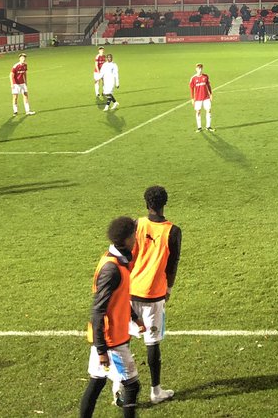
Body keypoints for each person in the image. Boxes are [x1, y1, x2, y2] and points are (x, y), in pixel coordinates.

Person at [124, 186, 181, 406]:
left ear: (147, 203)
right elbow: (172, 263)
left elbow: (127, 254)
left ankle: (119, 388)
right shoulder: (173, 231)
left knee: (124, 341)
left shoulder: (136, 224)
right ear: (164, 203)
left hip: (131, 290)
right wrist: (169, 288)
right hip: (154, 295)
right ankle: (155, 391)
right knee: (152, 343)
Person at [79, 217, 140, 418]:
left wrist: (134, 316)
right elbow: (98, 310)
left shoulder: (118, 261)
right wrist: (102, 349)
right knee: (132, 385)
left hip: (110, 338)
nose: (136, 237)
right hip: (111, 341)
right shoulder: (111, 269)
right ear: (127, 238)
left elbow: (120, 297)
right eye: (134, 234)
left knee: (97, 382)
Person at [190, 63, 213, 132]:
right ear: (196, 69)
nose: (200, 70)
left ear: (202, 69)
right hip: (197, 98)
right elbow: (191, 89)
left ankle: (208, 126)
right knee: (198, 111)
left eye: (201, 68)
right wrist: (192, 98)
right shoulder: (193, 78)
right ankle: (199, 127)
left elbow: (208, 86)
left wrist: (211, 94)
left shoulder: (205, 76)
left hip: (206, 97)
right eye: (198, 68)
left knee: (208, 110)